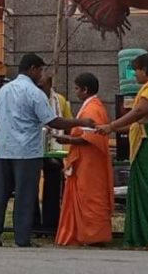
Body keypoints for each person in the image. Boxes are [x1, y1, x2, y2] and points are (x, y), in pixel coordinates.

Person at [0, 53, 95, 248]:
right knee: (25, 196)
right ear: (32, 69)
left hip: (4, 151)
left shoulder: (3, 91)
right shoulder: (34, 93)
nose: (42, 75)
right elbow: (53, 121)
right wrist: (81, 121)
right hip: (27, 152)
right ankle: (22, 238)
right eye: (41, 70)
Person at [97, 53, 148, 251]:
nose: (135, 75)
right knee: (143, 189)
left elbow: (139, 112)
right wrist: (106, 128)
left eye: (136, 70)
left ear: (145, 69)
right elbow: (137, 123)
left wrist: (111, 126)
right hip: (147, 141)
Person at [55, 73, 113, 246]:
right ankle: (84, 234)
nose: (76, 92)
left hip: (90, 164)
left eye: (77, 89)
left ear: (85, 90)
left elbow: (90, 138)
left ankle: (93, 236)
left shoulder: (92, 109)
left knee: (90, 197)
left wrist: (68, 140)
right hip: (86, 162)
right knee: (86, 196)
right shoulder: (93, 106)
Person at [33, 75, 73, 234]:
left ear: (50, 84)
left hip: (55, 149)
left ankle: (51, 224)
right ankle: (34, 225)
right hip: (34, 149)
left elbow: (68, 122)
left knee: (54, 185)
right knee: (30, 187)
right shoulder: (33, 97)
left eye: (42, 86)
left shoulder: (60, 101)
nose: (40, 89)